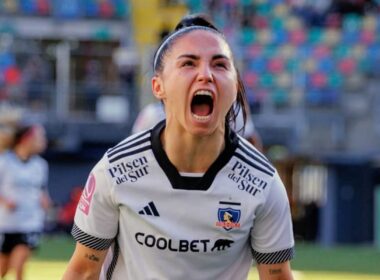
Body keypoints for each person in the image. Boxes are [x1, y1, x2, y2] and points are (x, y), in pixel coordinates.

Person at [62, 14, 294, 280]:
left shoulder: (263, 182)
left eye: (219, 65)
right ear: (157, 87)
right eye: (188, 63)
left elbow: (276, 276)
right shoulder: (115, 171)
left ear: (235, 85)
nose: (205, 75)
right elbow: (83, 271)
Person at [0, 123, 50, 280]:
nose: (43, 141)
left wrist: (44, 200)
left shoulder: (40, 165)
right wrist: (5, 200)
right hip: (7, 222)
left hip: (30, 221)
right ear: (26, 139)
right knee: (4, 267)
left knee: (20, 262)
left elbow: (41, 189)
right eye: (40, 137)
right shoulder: (5, 161)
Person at [132, 101, 264, 151]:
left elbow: (251, 141)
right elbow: (135, 148)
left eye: (218, 65)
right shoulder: (152, 114)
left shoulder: (234, 111)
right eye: (188, 64)